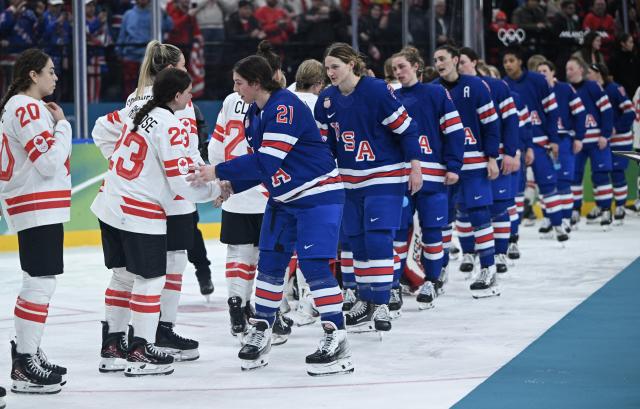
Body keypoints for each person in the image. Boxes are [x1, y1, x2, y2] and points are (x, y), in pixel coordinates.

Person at [191, 55, 353, 376]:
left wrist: (217, 171)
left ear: (255, 83)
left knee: (314, 266)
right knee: (269, 262)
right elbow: (264, 167)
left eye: (239, 83)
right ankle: (263, 327)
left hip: (317, 196)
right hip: (283, 198)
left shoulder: (284, 107)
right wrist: (231, 187)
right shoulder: (254, 112)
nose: (235, 89)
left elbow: (267, 161)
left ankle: (337, 335)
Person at [90, 68, 223, 376]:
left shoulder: (136, 108)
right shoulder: (170, 124)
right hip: (139, 212)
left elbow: (103, 130)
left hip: (110, 201)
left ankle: (112, 347)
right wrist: (217, 189)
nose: (192, 97)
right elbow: (181, 184)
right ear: (175, 95)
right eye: (188, 92)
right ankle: (141, 349)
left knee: (122, 277)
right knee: (150, 280)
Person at [315, 42, 422, 329]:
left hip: (384, 176)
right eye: (326, 68)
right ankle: (364, 300)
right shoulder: (326, 100)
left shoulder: (376, 90)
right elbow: (325, 147)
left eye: (335, 66)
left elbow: (407, 129)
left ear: (351, 64)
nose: (330, 73)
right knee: (356, 242)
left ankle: (383, 303)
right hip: (348, 180)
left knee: (377, 239)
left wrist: (415, 166)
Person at [208, 40, 292, 342]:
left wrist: (220, 179)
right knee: (271, 256)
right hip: (268, 191)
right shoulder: (280, 101)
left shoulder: (231, 100)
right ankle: (275, 311)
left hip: (235, 187)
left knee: (238, 253)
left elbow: (216, 144)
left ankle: (237, 306)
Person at [0, 48, 70, 394]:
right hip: (35, 204)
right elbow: (47, 163)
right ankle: (24, 361)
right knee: (40, 283)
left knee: (38, 280)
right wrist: (64, 127)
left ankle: (27, 351)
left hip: (33, 203)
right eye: (51, 71)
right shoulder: (27, 107)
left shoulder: (20, 106)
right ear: (33, 75)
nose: (55, 77)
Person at [392, 46, 465, 309]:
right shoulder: (391, 96)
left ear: (416, 66)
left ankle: (432, 281)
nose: (397, 72)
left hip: (433, 175)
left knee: (433, 231)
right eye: (394, 69)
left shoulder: (436, 93)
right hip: (400, 177)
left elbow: (455, 131)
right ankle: (394, 285)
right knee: (397, 232)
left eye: (402, 66)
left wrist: (454, 165)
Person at [431, 45, 501, 298]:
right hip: (445, 166)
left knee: (479, 214)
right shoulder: (433, 89)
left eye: (443, 58)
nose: (438, 63)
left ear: (456, 60)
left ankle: (489, 269)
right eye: (435, 59)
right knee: (442, 218)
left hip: (474, 163)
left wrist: (493, 157)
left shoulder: (477, 86)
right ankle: (439, 271)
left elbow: (491, 124)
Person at [458, 47, 520, 274]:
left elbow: (511, 121)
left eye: (463, 61)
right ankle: (468, 252)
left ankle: (500, 252)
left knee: (498, 207)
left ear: (474, 62)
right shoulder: (448, 89)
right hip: (467, 160)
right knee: (464, 208)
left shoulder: (496, 86)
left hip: (499, 155)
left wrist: (512, 152)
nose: (459, 66)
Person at [502, 47, 569, 243]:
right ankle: (513, 236)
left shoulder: (538, 80)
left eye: (511, 60)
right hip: (518, 147)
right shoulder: (503, 85)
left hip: (541, 143)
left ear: (520, 61)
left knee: (548, 185)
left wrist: (554, 140)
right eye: (505, 61)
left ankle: (557, 225)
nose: (508, 65)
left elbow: (553, 111)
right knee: (517, 191)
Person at [536, 60, 586, 230]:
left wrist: (579, 137)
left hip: (564, 139)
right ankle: (549, 218)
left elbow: (580, 113)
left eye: (545, 70)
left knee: (563, 181)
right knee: (546, 182)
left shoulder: (565, 89)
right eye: (539, 71)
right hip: (544, 141)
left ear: (552, 72)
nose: (542, 74)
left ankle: (565, 218)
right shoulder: (536, 89)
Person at [564, 57, 614, 228]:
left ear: (581, 70)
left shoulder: (593, 87)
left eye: (571, 68)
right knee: (574, 176)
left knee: (600, 175)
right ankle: (575, 210)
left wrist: (605, 135)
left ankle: (606, 209)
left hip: (597, 141)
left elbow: (607, 111)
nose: (568, 72)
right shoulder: (566, 89)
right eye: (567, 69)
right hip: (577, 142)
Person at [587, 63, 635, 224]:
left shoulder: (614, 89)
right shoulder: (590, 91)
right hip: (602, 139)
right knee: (598, 173)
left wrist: (616, 127)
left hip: (620, 139)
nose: (587, 75)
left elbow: (630, 112)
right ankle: (601, 205)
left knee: (616, 172)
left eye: (589, 72)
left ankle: (620, 206)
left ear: (598, 73)